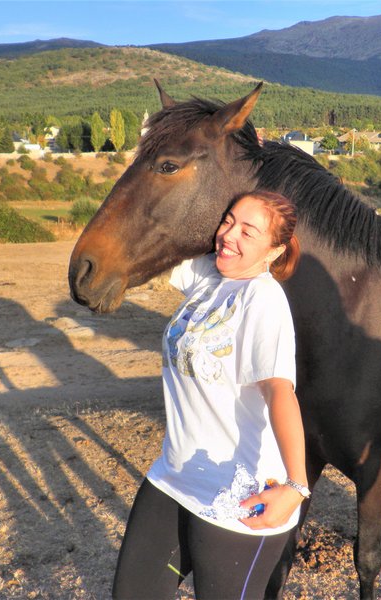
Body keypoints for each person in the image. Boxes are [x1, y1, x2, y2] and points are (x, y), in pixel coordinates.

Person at [112, 191, 308, 599]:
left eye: (248, 231)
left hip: (238, 494)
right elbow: (159, 225)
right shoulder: (207, 279)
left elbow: (279, 390)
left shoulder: (263, 298)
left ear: (274, 250)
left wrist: (296, 485)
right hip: (173, 476)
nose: (229, 235)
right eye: (228, 220)